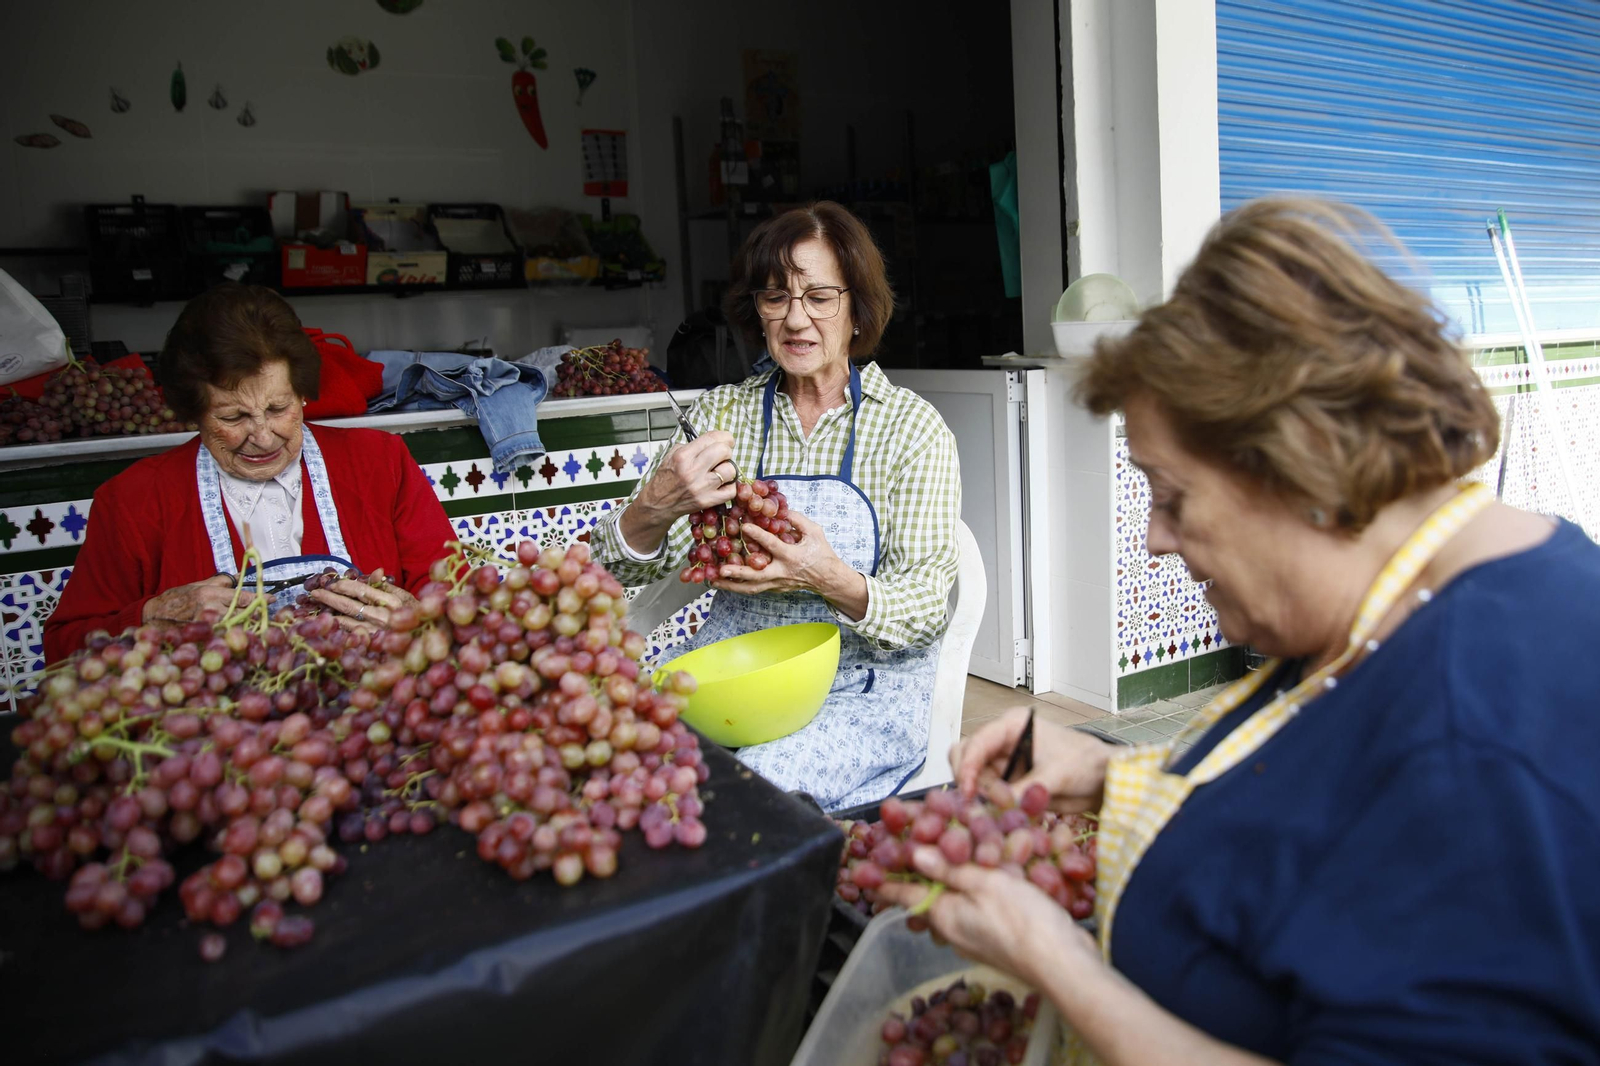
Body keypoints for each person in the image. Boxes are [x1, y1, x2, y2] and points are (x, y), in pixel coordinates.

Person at [880, 199, 1600, 1063]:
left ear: (1303, 465)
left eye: (1171, 495)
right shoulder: (1429, 588)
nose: (1152, 538)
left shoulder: (1485, 738)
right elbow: (1330, 812)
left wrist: (1057, 961)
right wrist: (1111, 775)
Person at [591, 202, 962, 811]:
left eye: (819, 297)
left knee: (746, 794)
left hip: (857, 690)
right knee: (618, 766)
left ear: (858, 308)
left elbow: (926, 607)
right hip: (730, 681)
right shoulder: (719, 417)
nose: (796, 319)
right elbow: (618, 574)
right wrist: (649, 511)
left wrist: (828, 577)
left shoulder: (911, 429)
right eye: (776, 297)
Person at [45, 284, 455, 660]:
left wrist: (415, 621)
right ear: (194, 414)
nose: (262, 436)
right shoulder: (133, 500)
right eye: (233, 416)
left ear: (303, 394)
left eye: (279, 409)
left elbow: (460, 601)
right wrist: (151, 617)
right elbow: (64, 650)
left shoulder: (380, 462)